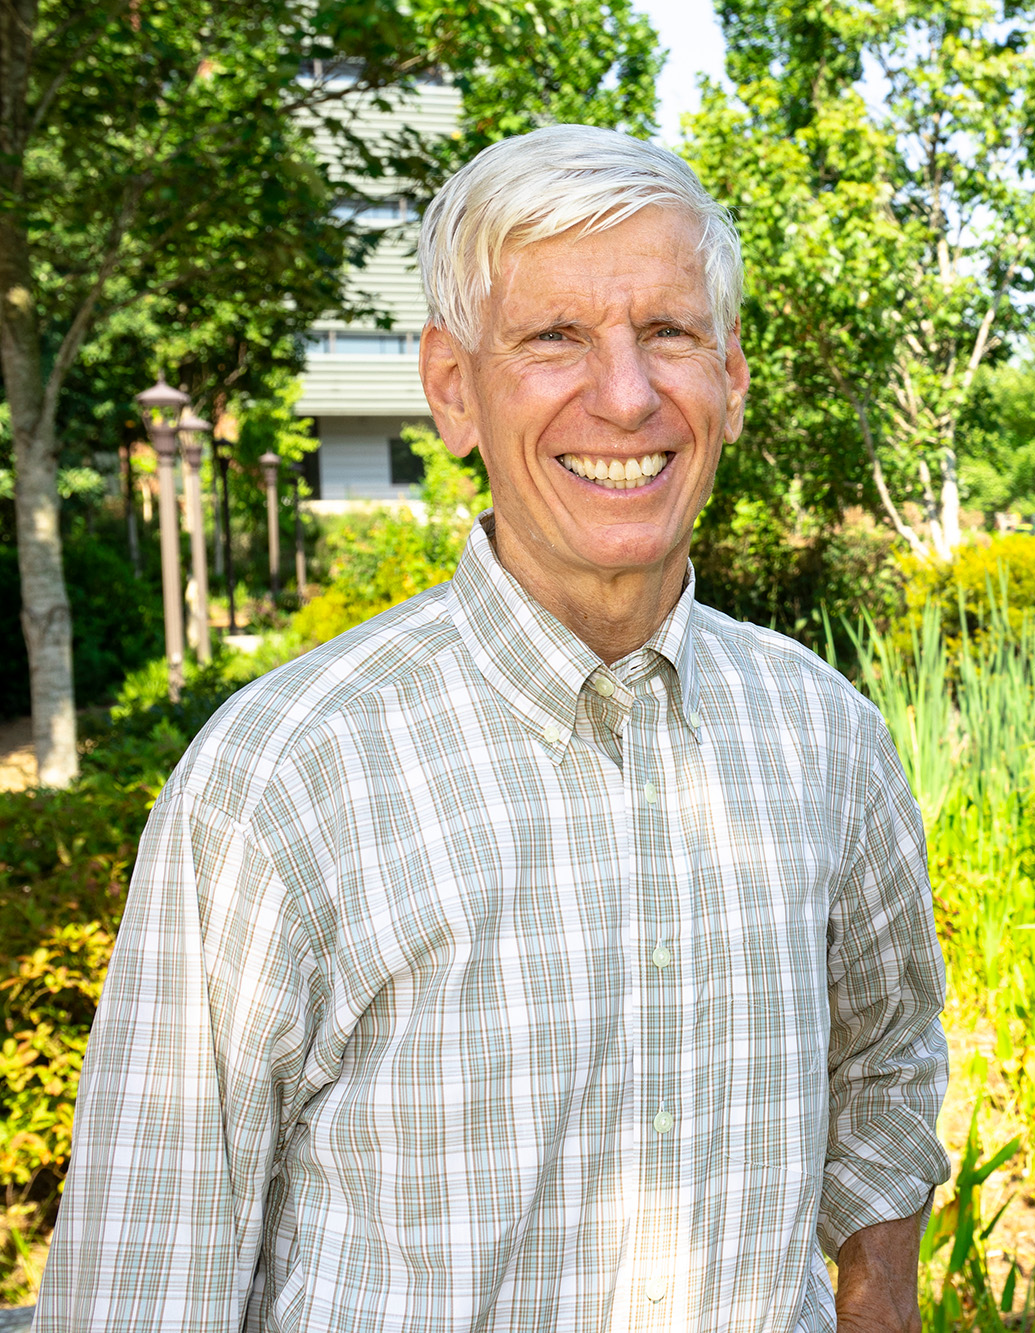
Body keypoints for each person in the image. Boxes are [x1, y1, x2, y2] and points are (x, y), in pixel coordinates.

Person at [37, 125, 948, 1332]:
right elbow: (142, 1283)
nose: (624, 396)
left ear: (730, 376)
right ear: (452, 388)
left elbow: (885, 1060)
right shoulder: (287, 779)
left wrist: (874, 1299)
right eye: (553, 337)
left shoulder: (825, 738)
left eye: (667, 333)